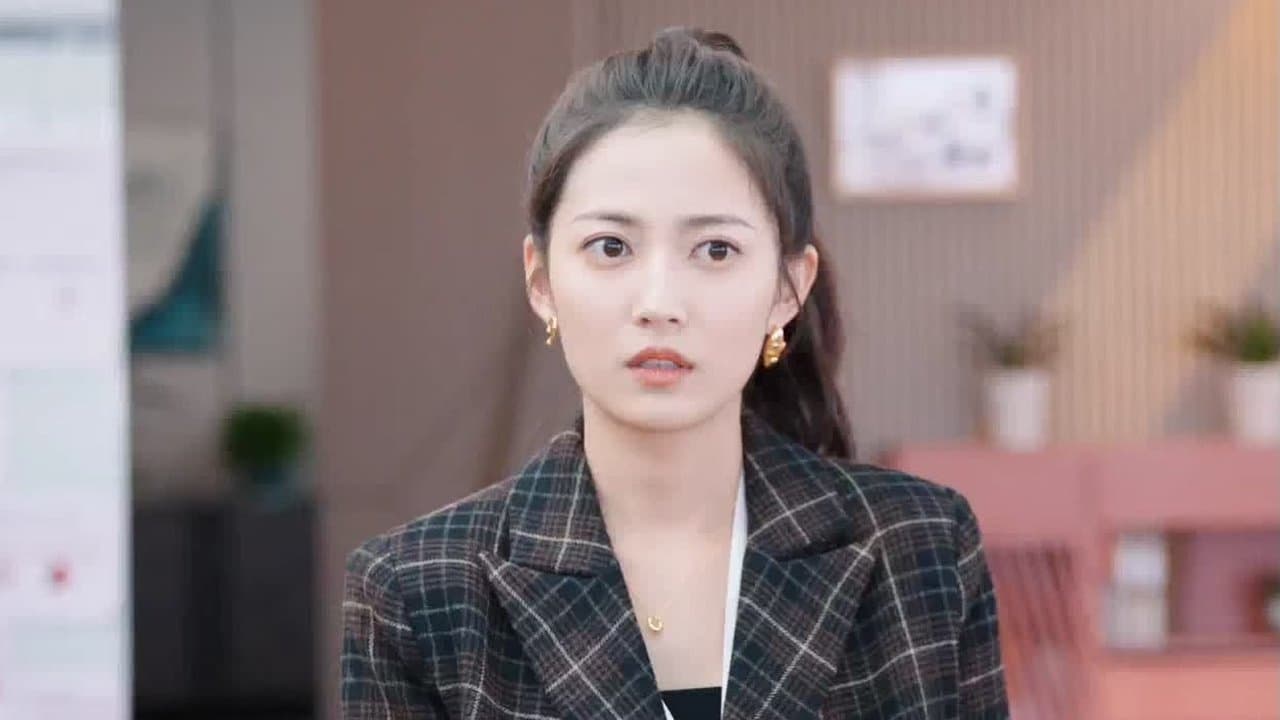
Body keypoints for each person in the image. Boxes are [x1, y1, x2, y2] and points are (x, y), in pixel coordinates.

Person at [342, 27, 1008, 720]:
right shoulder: (416, 593)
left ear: (788, 288)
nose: (659, 303)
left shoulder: (923, 549)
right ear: (541, 282)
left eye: (715, 250)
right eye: (611, 247)